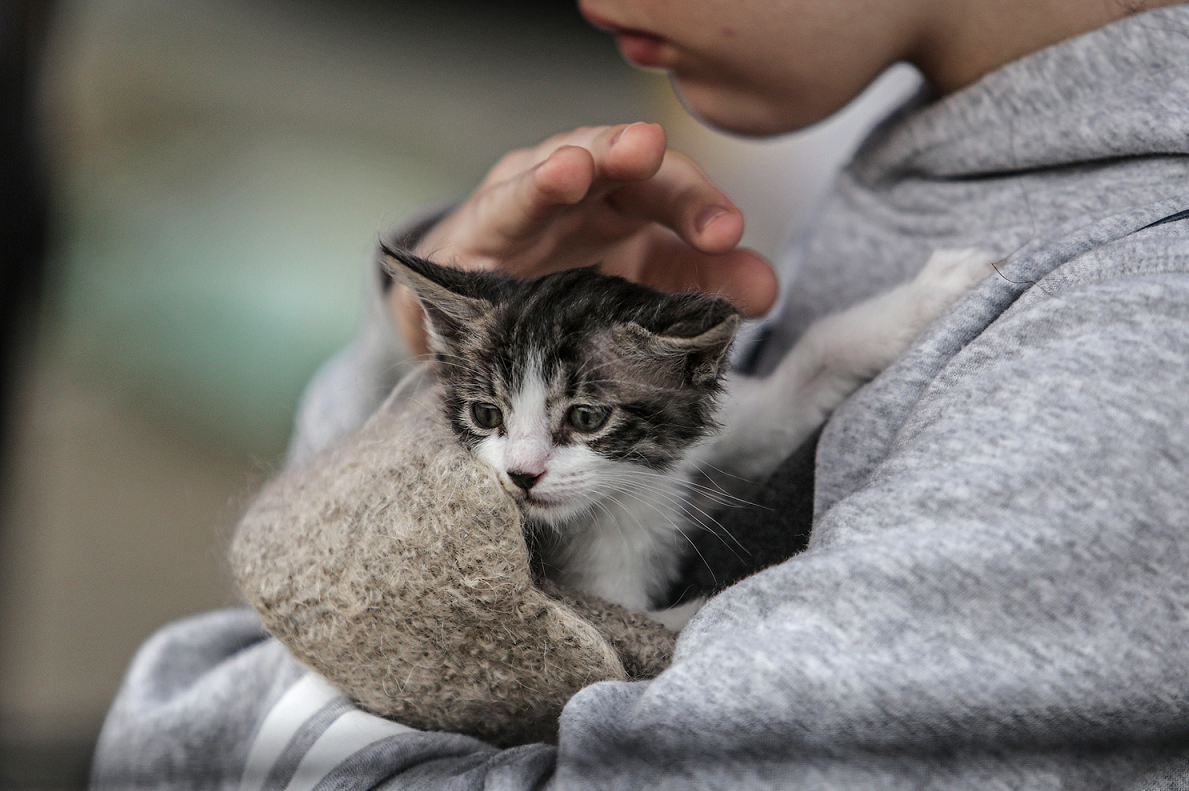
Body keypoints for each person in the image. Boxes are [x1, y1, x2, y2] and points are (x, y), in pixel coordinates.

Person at [92, 0, 1189, 788]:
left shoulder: (1137, 345)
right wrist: (410, 367)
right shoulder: (931, 157)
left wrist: (223, 698)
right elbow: (319, 599)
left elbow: (173, 736)